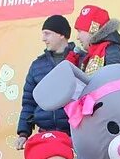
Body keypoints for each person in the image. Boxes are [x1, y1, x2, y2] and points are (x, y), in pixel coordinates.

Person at [15, 15, 79, 151]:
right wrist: (23, 133)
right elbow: (29, 102)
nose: (43, 38)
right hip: (46, 135)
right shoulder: (37, 65)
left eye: (47, 33)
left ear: (61, 34)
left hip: (77, 136)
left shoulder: (81, 60)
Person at [73, 4, 120, 74]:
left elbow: (117, 83)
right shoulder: (94, 52)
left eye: (79, 31)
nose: (77, 37)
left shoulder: (113, 52)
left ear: (92, 30)